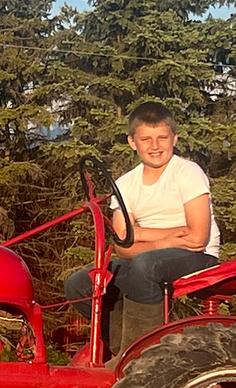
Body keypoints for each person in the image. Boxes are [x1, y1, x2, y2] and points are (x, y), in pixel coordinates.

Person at [64, 101, 220, 358]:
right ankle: (118, 351)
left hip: (198, 257)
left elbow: (197, 238)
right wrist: (168, 236)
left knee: (145, 266)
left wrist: (141, 236)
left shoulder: (187, 173)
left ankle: (143, 356)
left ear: (175, 138)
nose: (155, 146)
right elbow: (123, 246)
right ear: (132, 142)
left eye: (162, 138)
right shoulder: (126, 185)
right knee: (81, 283)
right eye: (146, 139)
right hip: (151, 256)